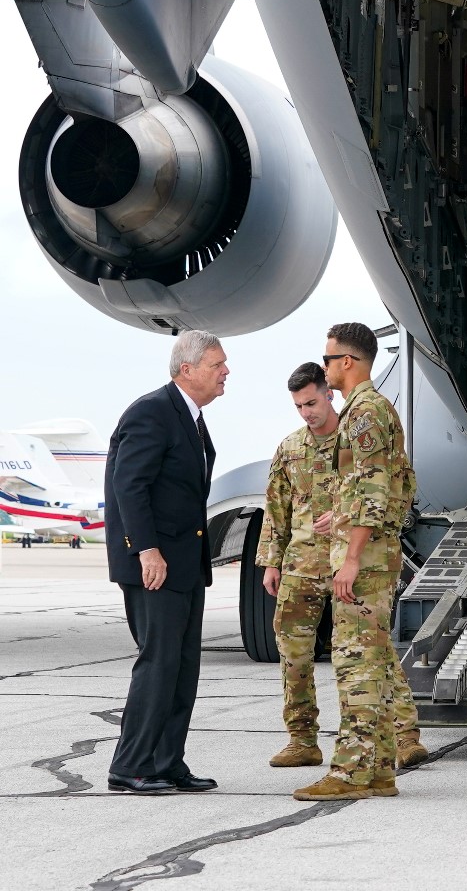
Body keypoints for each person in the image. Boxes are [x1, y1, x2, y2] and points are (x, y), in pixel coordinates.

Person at [294, 323, 422, 800]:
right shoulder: (371, 411)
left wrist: (350, 556)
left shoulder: (364, 413)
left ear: (347, 362)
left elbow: (373, 489)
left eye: (327, 359)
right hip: (369, 549)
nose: (324, 367)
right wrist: (342, 516)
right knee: (372, 664)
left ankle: (351, 773)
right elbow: (396, 485)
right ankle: (380, 772)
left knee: (358, 667)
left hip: (363, 561)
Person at [103, 330, 228, 794]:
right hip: (154, 564)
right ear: (187, 369)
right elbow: (128, 485)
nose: (225, 373)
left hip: (183, 564)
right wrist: (146, 549)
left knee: (182, 665)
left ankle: (165, 761)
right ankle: (130, 765)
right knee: (158, 662)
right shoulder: (152, 411)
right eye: (217, 365)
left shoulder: (191, 419)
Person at [257, 363, 342, 769]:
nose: (306, 412)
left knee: (364, 653)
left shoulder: (358, 442)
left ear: (330, 393)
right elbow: (276, 510)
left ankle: (400, 735)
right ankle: (302, 739)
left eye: (311, 401)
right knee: (293, 654)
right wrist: (271, 563)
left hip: (351, 563)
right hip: (301, 564)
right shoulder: (290, 448)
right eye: (298, 406)